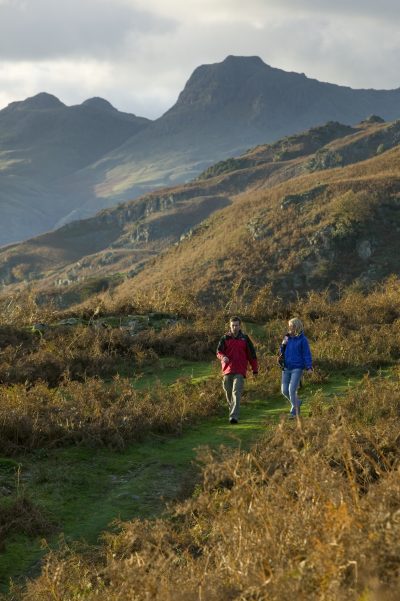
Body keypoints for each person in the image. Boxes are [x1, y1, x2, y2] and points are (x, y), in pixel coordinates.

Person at [216, 316, 258, 424]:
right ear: (230, 326)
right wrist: (223, 357)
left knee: (236, 392)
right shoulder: (225, 338)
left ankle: (234, 417)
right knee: (228, 393)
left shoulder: (245, 338)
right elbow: (218, 352)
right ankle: (233, 411)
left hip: (240, 370)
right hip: (227, 370)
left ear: (240, 326)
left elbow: (252, 355)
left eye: (236, 325)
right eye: (233, 325)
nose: (235, 327)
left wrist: (255, 370)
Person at [280, 317, 312, 418]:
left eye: (291, 326)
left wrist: (309, 367)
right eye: (289, 326)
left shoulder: (303, 340)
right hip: (286, 367)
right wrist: (282, 345)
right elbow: (282, 351)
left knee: (291, 389)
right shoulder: (286, 337)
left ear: (297, 327)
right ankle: (297, 403)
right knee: (284, 390)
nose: (289, 328)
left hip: (297, 368)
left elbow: (307, 354)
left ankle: (294, 412)